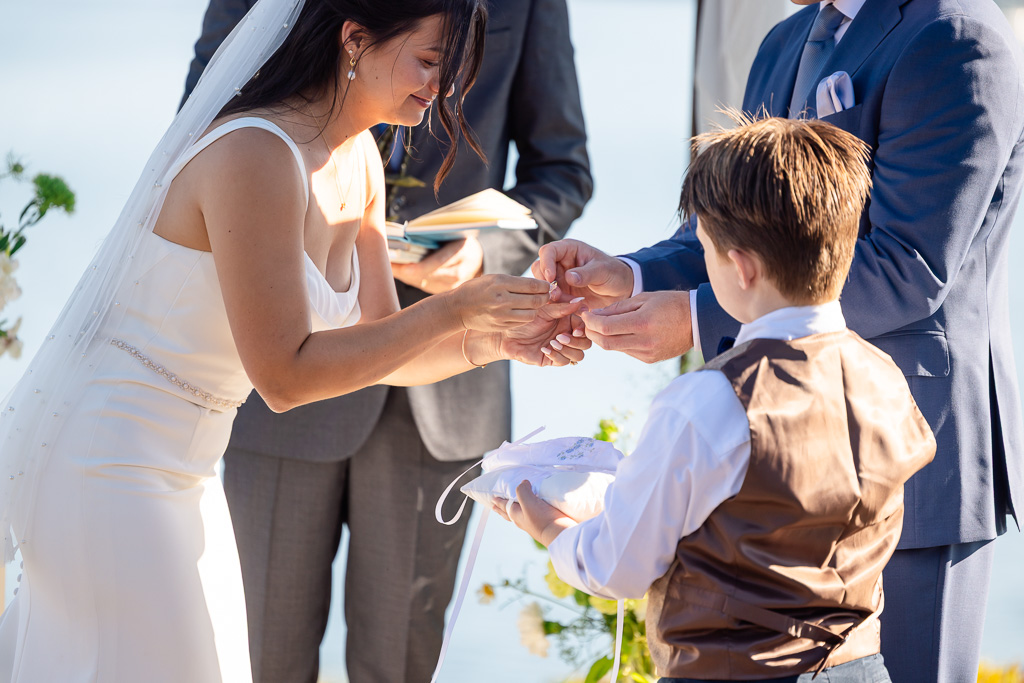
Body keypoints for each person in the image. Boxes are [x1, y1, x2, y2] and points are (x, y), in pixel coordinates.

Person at [0, 0, 592, 681]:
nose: (444, 88)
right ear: (354, 39)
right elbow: (283, 377)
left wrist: (500, 337)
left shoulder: (361, 159)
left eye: (452, 68)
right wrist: (459, 310)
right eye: (430, 61)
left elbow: (382, 346)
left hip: (186, 471)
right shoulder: (254, 153)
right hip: (111, 460)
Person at [535, 1, 1024, 679]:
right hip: (765, 490)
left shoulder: (957, 35)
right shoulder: (786, 39)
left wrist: (697, 318)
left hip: (910, 463)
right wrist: (629, 273)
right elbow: (734, 227)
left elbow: (908, 265)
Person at [181, 0, 591, 680]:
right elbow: (206, 126)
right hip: (278, 351)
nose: (436, 89)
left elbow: (564, 169)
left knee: (397, 667)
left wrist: (486, 255)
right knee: (257, 661)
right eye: (431, 62)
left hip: (441, 402)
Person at [503, 115, 936, 682]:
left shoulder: (711, 400)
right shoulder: (886, 380)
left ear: (740, 266)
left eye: (704, 247)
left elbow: (616, 568)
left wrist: (545, 526)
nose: (703, 260)